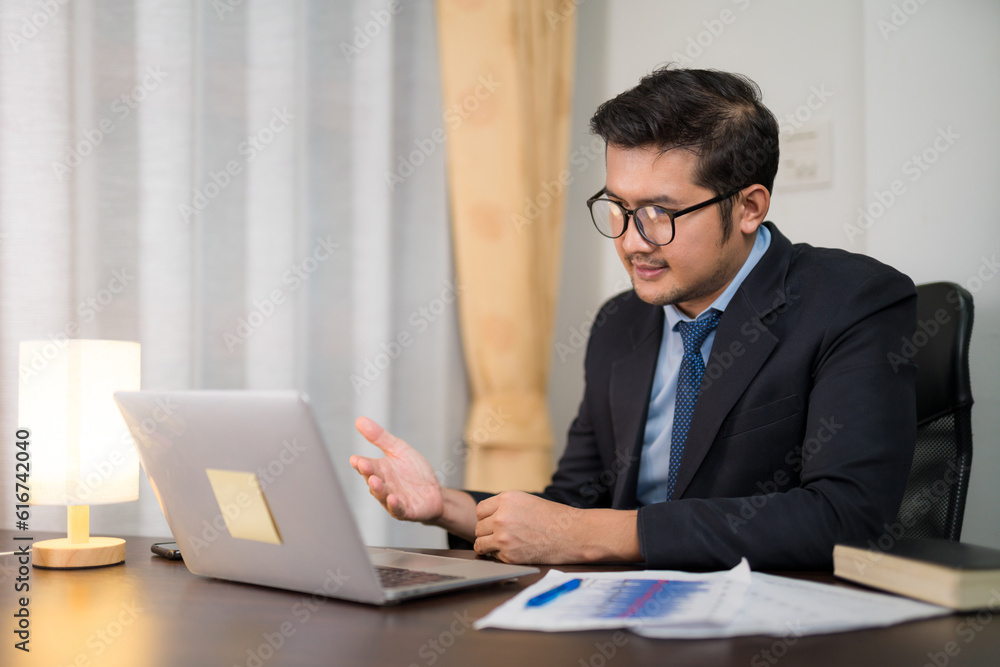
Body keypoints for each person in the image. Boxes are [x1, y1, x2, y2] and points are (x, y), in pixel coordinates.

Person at [350, 67, 916, 570]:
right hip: (623, 614)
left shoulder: (853, 300)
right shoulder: (620, 322)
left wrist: (603, 535)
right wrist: (442, 505)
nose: (630, 242)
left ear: (749, 207)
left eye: (659, 213)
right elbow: (574, 502)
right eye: (618, 208)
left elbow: (847, 516)